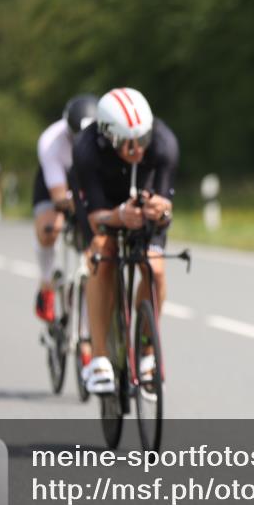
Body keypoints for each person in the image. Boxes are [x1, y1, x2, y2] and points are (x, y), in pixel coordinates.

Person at [73, 88, 179, 393]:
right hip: (104, 206)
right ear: (107, 136)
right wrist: (119, 215)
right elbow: (95, 218)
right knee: (101, 256)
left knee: (154, 268)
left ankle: (147, 351)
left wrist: (160, 210)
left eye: (142, 139)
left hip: (144, 206)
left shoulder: (164, 143)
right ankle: (99, 358)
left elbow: (166, 208)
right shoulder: (85, 149)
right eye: (126, 142)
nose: (136, 150)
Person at [33, 94, 98, 324]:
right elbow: (59, 196)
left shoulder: (103, 137)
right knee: (50, 229)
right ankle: (46, 282)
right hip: (56, 183)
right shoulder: (51, 141)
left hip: (85, 182)